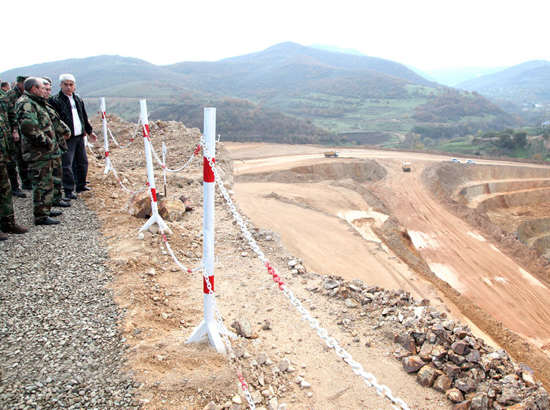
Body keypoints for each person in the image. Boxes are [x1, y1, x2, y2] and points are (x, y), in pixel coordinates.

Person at [14, 77, 64, 225]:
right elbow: (30, 129)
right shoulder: (25, 104)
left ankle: (45, 209)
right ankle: (40, 216)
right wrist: (49, 143)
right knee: (41, 183)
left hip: (43, 151)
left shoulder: (36, 102)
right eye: (42, 88)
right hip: (37, 152)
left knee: (47, 182)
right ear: (34, 89)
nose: (45, 91)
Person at [49, 74, 97, 200]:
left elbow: (83, 117)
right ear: (61, 85)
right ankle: (69, 189)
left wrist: (89, 130)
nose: (68, 87)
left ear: (74, 85)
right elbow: (54, 120)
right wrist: (60, 134)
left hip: (79, 136)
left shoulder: (78, 100)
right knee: (67, 164)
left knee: (82, 162)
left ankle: (81, 184)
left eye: (71, 84)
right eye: (66, 84)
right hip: (66, 137)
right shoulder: (55, 101)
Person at [41, 77, 71, 207]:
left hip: (54, 143)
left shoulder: (45, 104)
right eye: (45, 89)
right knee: (45, 178)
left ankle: (56, 198)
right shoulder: (32, 104)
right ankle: (43, 209)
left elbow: (56, 121)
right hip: (44, 146)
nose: (48, 92)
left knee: (56, 173)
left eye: (49, 89)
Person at [7, 76, 32, 193]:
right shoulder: (10, 95)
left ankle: (29, 180)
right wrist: (14, 130)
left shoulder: (27, 95)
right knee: (19, 156)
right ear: (19, 83)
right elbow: (10, 114)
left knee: (28, 155)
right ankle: (24, 182)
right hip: (15, 131)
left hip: (26, 129)